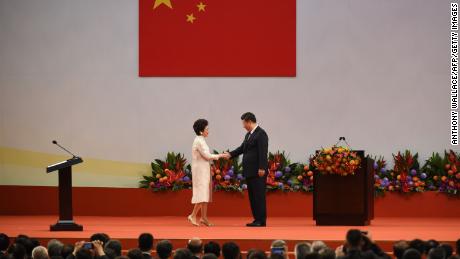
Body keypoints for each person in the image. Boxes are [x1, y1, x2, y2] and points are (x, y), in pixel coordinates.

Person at [223, 112, 269, 227]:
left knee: (259, 196)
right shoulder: (248, 135)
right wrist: (230, 154)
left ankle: (261, 220)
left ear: (249, 121)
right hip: (250, 171)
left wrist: (262, 167)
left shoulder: (261, 134)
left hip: (258, 171)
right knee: (253, 196)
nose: (243, 126)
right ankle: (256, 219)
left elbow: (263, 152)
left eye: (244, 123)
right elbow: (242, 148)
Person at [188, 119, 226, 226]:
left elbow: (206, 156)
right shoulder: (199, 141)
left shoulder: (201, 139)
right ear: (201, 131)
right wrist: (221, 155)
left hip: (204, 168)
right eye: (206, 129)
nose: (208, 131)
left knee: (205, 193)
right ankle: (192, 215)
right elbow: (207, 156)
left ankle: (203, 218)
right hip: (200, 170)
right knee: (202, 193)